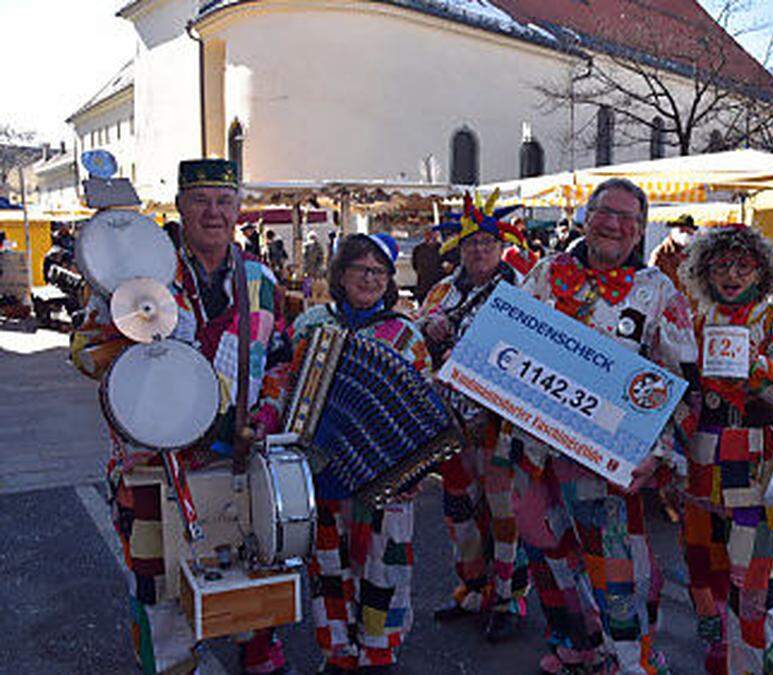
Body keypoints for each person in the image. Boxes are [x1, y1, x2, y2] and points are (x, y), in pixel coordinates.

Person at [70, 159, 294, 675]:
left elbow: (281, 357)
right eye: (200, 201)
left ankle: (260, 661)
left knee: (253, 577)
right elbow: (84, 351)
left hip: (238, 457)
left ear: (239, 210)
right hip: (153, 465)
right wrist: (134, 345)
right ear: (179, 207)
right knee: (158, 589)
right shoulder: (136, 275)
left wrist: (265, 413)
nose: (213, 213)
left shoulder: (259, 278)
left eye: (224, 201)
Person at [507, 178, 699, 674]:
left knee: (615, 564)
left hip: (608, 455)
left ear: (639, 232)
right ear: (585, 217)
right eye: (604, 212)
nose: (613, 224)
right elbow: (506, 340)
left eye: (627, 218)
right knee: (545, 548)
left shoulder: (657, 291)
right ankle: (578, 643)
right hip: (535, 446)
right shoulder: (548, 273)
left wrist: (657, 452)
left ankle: (632, 658)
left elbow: (680, 380)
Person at [255, 233, 429, 674]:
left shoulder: (406, 335)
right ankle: (338, 652)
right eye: (360, 269)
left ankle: (379, 650)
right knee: (328, 568)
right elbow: (280, 378)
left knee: (384, 566)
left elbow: (425, 405)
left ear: (389, 280)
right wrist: (265, 421)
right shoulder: (312, 324)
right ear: (341, 275)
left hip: (384, 475)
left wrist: (415, 469)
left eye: (378, 272)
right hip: (322, 469)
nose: (369, 279)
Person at [675, 225, 773, 674]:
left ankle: (763, 667)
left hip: (755, 461)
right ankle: (722, 658)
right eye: (721, 265)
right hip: (701, 460)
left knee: (751, 583)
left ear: (760, 270)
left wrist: (757, 370)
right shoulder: (693, 321)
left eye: (743, 265)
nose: (731, 274)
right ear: (704, 271)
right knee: (703, 572)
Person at [416, 194, 529, 642]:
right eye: (471, 244)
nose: (479, 250)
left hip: (500, 424)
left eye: (487, 242)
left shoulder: (521, 290)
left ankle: (508, 598)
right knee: (459, 512)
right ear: (459, 250)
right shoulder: (442, 292)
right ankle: (472, 588)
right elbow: (416, 334)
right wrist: (429, 327)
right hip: (451, 422)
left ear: (501, 247)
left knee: (505, 515)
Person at [648, 214, 697, 291]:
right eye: (682, 230)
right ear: (673, 230)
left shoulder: (695, 253)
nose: (685, 234)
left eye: (688, 231)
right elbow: (650, 282)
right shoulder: (660, 253)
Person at [412, 228, 444, 303]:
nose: (430, 237)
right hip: (423, 287)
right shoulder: (418, 249)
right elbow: (415, 265)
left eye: (433, 234)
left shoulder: (442, 248)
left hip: (438, 288)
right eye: (428, 234)